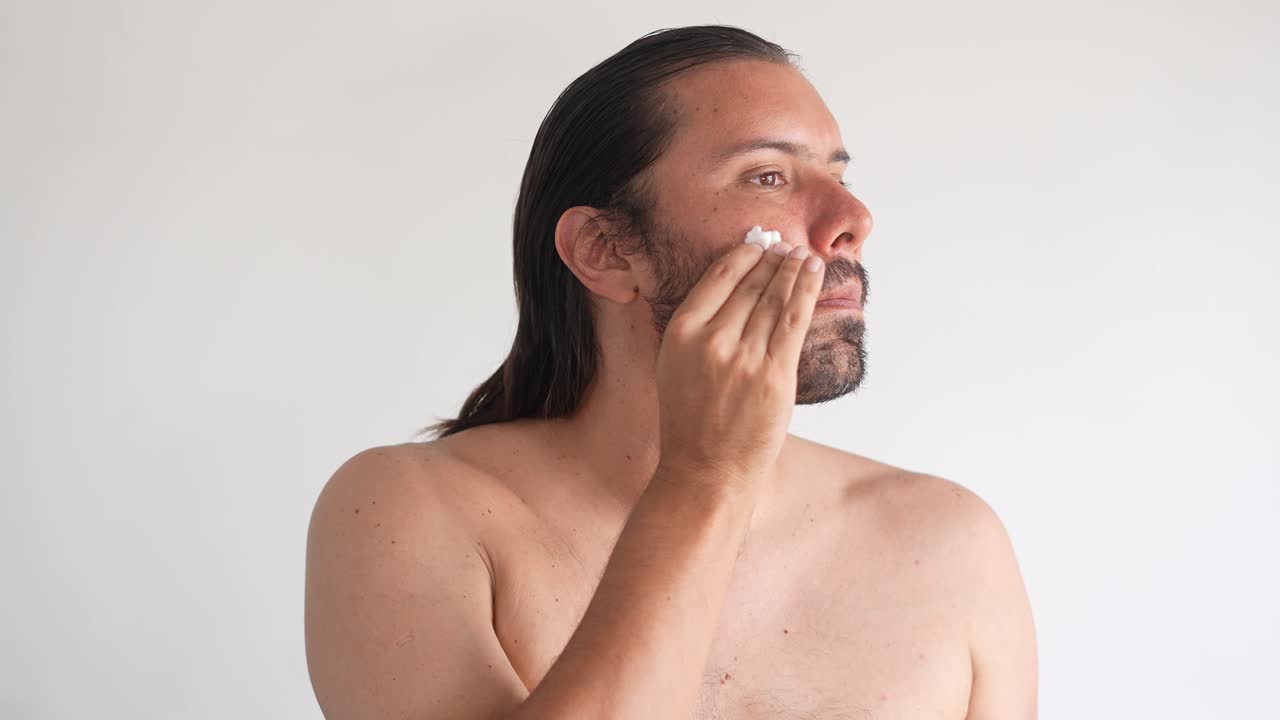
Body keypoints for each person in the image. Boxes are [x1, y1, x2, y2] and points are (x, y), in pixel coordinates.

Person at [305, 25, 1037, 720]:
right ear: (605, 250)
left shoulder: (950, 541)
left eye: (839, 176)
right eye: (769, 176)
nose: (853, 218)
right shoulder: (410, 513)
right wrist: (706, 477)